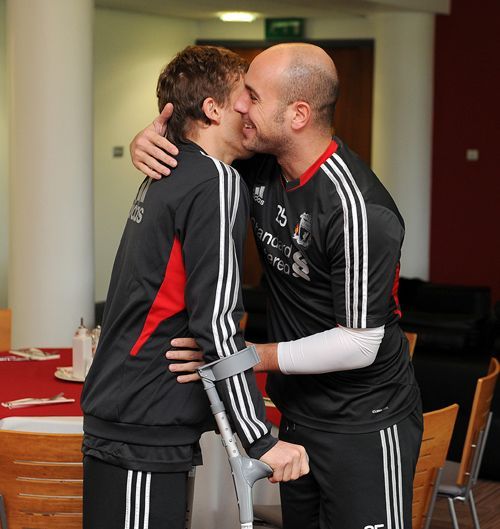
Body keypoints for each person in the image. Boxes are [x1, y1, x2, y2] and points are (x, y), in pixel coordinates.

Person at [130, 43, 423, 529]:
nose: (240, 105)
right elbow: (199, 152)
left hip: (366, 420)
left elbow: (359, 342)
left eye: (253, 95)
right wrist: (146, 141)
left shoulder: (357, 209)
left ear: (298, 115)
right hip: (297, 412)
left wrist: (245, 356)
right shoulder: (258, 166)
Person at [81, 45, 309, 529]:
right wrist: (260, 436)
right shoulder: (216, 181)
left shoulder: (173, 168)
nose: (252, 108)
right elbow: (218, 322)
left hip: (133, 408)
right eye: (246, 96)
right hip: (144, 417)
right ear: (213, 108)